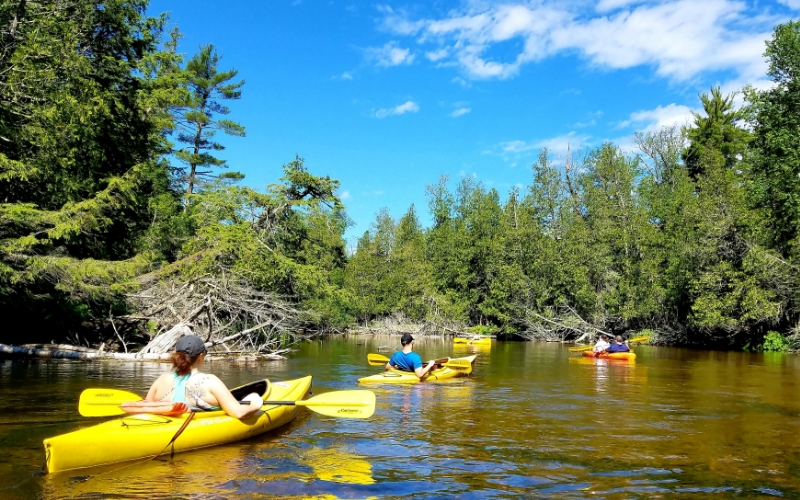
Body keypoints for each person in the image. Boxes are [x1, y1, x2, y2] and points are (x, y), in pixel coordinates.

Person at [145, 334, 263, 419]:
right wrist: (256, 402)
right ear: (201, 356)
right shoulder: (210, 381)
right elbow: (239, 413)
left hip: (165, 427)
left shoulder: (162, 379)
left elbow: (146, 407)